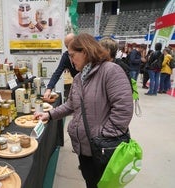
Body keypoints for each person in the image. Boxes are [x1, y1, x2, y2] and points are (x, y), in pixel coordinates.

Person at [34, 33, 133, 188]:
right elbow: (70, 105)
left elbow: (123, 109)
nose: (71, 62)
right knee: (91, 182)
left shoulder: (110, 71)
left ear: (85, 52)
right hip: (85, 148)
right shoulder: (80, 78)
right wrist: (49, 114)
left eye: (73, 56)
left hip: (104, 147)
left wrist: (103, 135)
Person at [43, 33, 79, 99]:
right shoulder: (66, 56)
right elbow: (57, 73)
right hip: (77, 84)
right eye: (66, 47)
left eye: (70, 46)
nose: (69, 50)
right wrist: (49, 89)